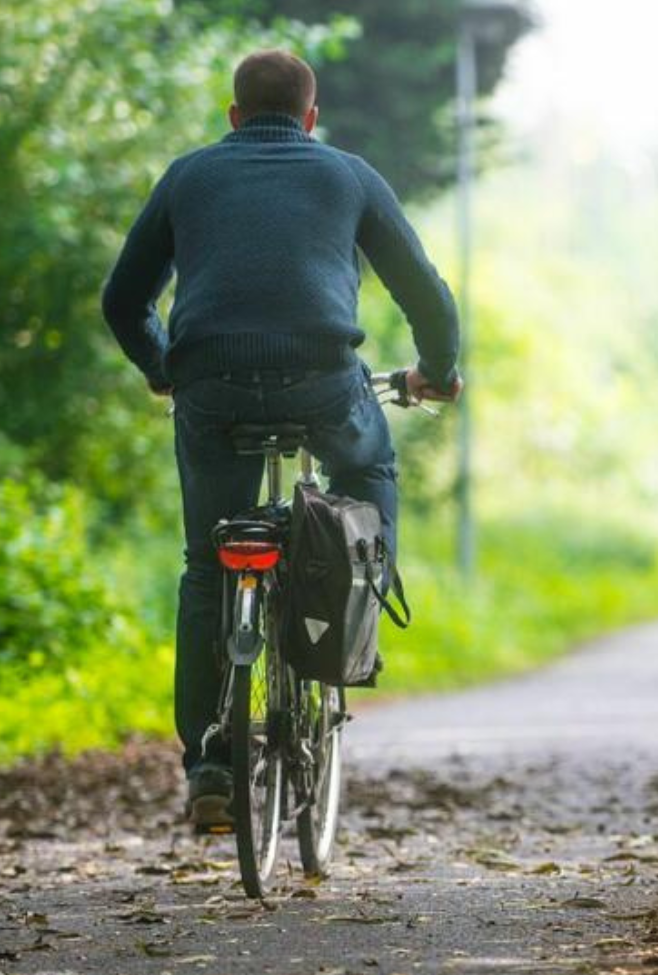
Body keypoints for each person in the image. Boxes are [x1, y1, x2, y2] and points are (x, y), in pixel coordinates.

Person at [101, 49, 462, 829]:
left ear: (233, 117)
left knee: (207, 567)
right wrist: (438, 370)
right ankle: (351, 616)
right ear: (311, 117)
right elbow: (424, 291)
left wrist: (164, 367)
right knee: (368, 476)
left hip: (212, 388)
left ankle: (207, 767)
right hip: (324, 381)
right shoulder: (348, 174)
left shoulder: (190, 175)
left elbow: (123, 298)